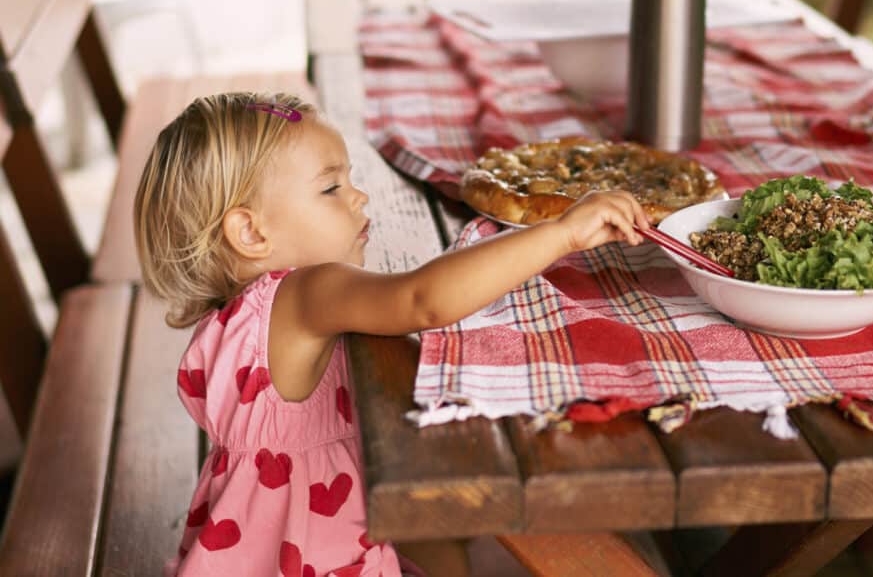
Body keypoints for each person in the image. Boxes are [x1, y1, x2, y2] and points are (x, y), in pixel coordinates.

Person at [134, 91, 650, 576]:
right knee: (455, 508)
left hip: (266, 545)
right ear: (251, 233)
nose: (359, 197)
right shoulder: (307, 293)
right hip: (321, 553)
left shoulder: (238, 315)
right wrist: (561, 233)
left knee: (441, 525)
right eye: (331, 187)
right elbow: (422, 300)